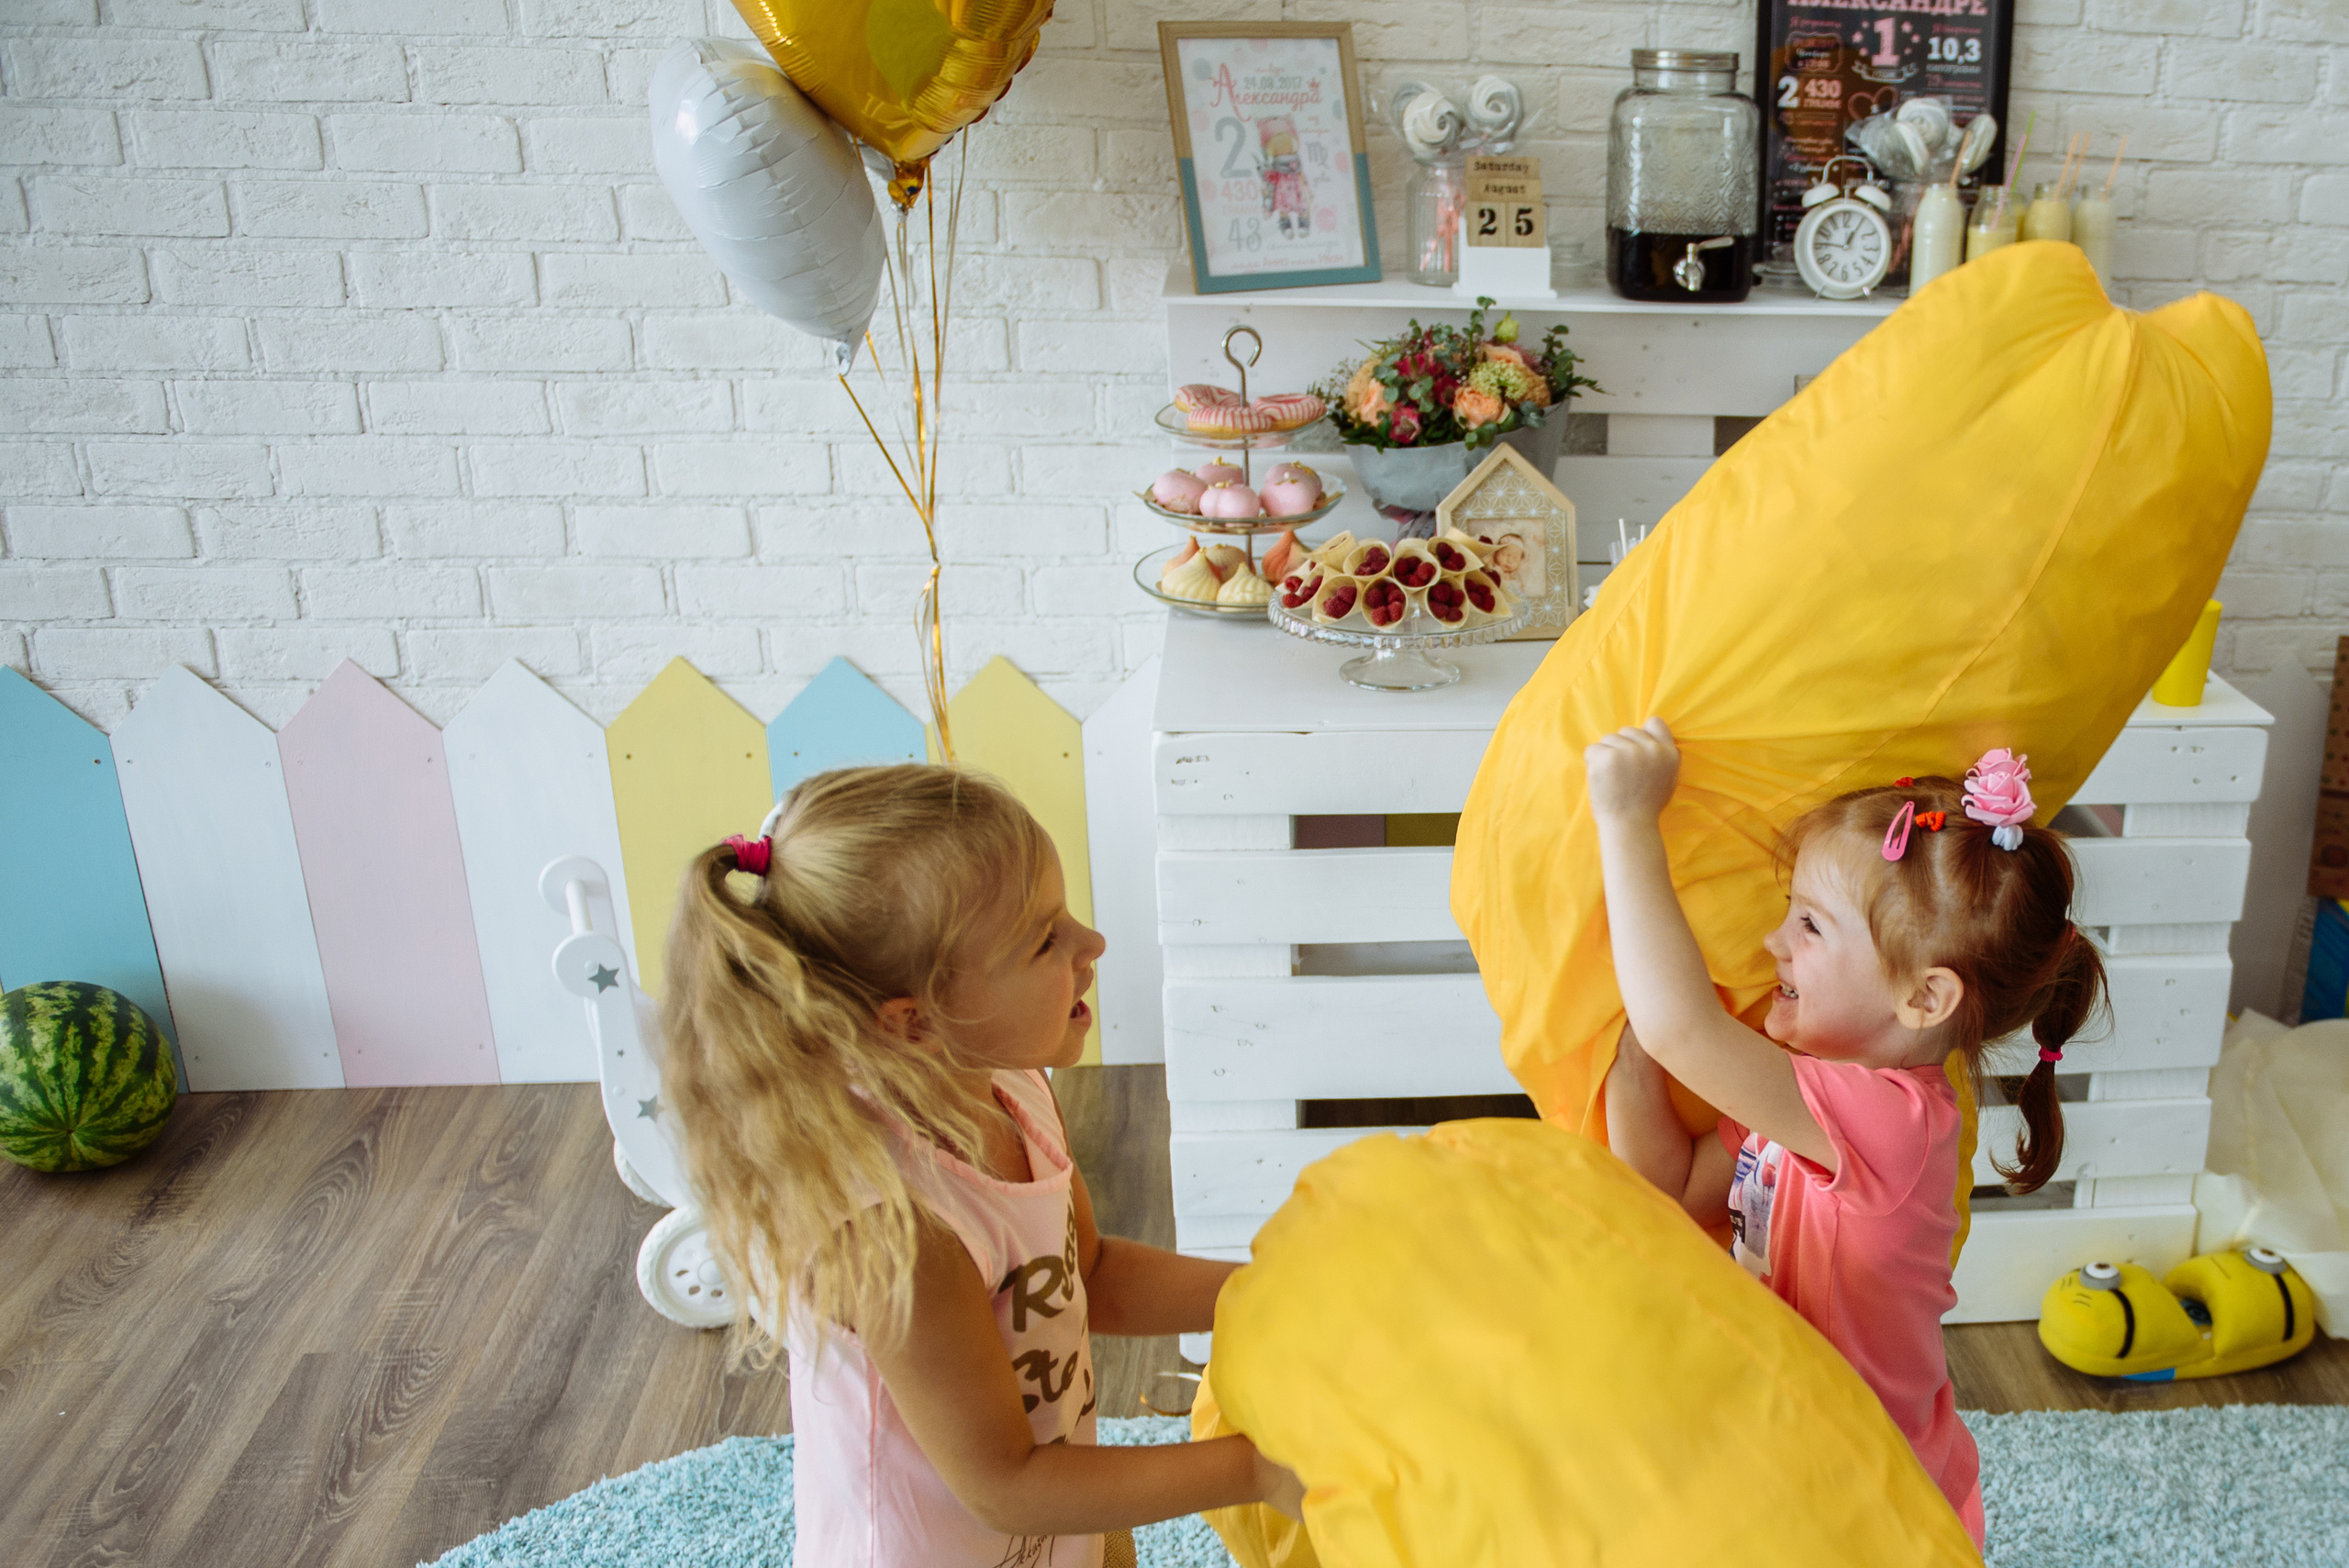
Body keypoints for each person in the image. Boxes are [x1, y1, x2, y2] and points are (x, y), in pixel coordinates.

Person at [662, 764, 1302, 1567]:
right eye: (1044, 939)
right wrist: (1256, 1469)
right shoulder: (899, 1228)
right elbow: (1004, 1480)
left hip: (1044, 1513)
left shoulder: (1012, 1082)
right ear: (917, 1022)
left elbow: (1087, 1273)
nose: (1091, 944)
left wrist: (1262, 1292)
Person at [1587, 723, 2104, 1551]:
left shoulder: (1889, 1121)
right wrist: (1628, 1057)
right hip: (1787, 1460)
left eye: (1811, 927)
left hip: (1867, 1498)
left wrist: (1625, 819)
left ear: (1923, 999)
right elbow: (1676, 1189)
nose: (1772, 943)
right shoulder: (1810, 1106)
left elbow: (1682, 1025)